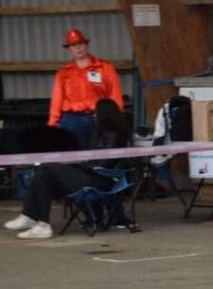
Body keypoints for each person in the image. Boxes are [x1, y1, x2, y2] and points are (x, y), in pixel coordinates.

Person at [4, 98, 132, 240]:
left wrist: (78, 164)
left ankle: (31, 217)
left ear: (103, 113)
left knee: (48, 167)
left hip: (100, 180)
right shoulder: (103, 132)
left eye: (95, 112)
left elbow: (105, 163)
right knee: (43, 177)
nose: (93, 115)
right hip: (92, 175)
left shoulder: (112, 134)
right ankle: (40, 222)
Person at [47, 28, 124, 151]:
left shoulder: (105, 68)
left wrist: (116, 118)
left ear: (86, 45)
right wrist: (52, 125)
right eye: (73, 45)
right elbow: (57, 100)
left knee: (101, 153)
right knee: (73, 154)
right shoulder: (63, 73)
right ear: (69, 49)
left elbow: (115, 94)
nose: (78, 48)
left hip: (99, 117)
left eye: (80, 43)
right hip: (72, 119)